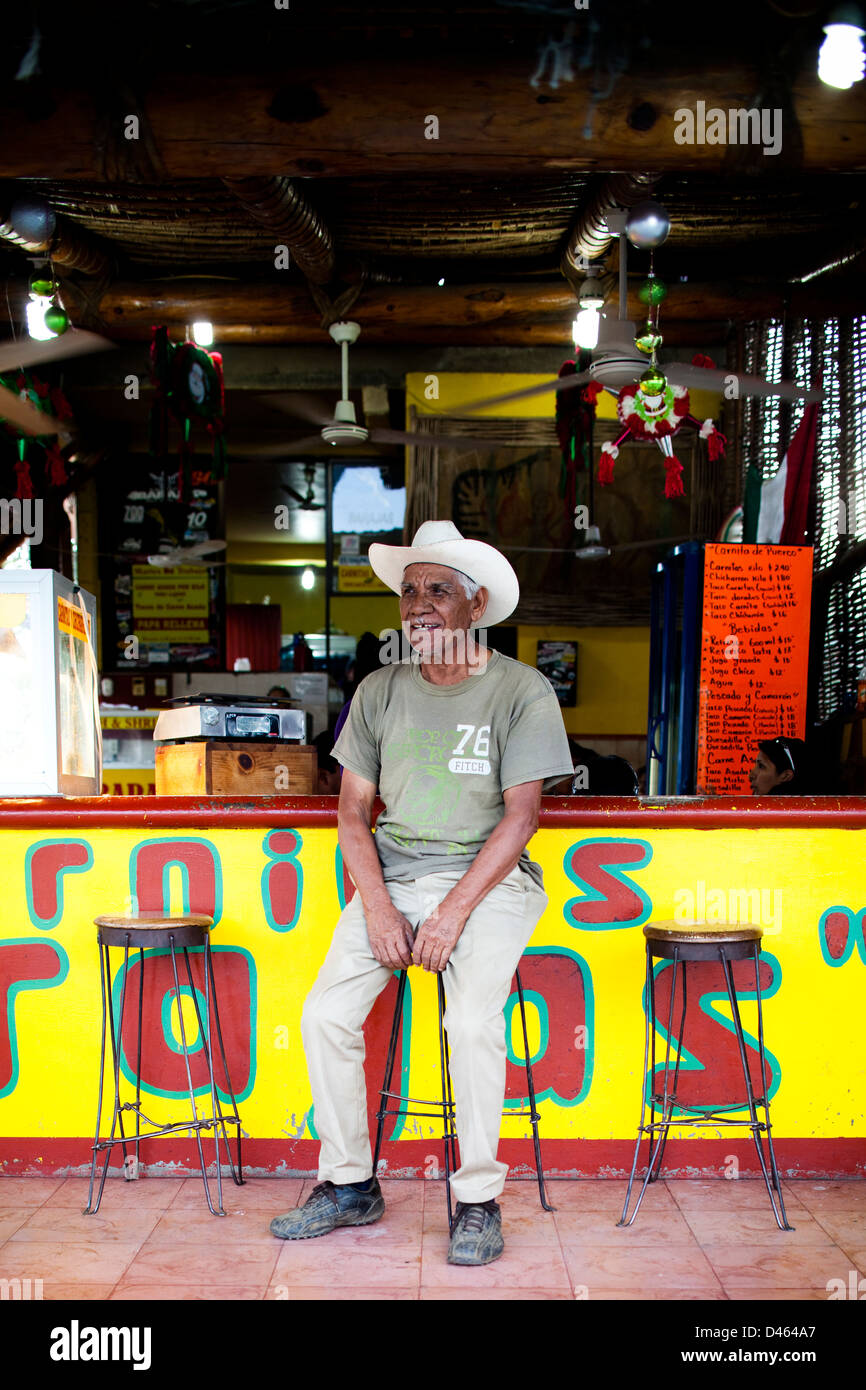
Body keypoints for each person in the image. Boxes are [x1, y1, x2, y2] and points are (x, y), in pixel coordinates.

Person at [270, 520, 574, 1265]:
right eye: (410, 591)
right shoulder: (379, 690)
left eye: (438, 589)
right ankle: (349, 1185)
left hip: (488, 884)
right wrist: (376, 905)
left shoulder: (522, 690)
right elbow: (351, 812)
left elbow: (523, 816)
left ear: (476, 604)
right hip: (394, 879)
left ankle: (477, 1200)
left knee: (469, 1025)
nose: (419, 604)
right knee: (324, 1015)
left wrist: (451, 911)